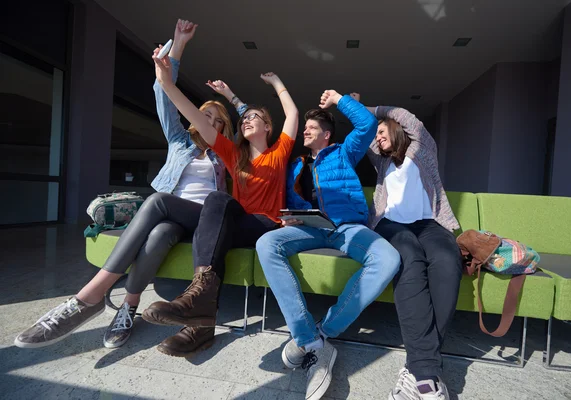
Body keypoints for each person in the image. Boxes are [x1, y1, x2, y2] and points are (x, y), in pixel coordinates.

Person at [14, 19, 238, 349]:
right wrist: (178, 45)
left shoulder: (225, 155)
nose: (211, 124)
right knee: (159, 234)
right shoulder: (178, 140)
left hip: (202, 220)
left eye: (217, 122)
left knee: (158, 201)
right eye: (205, 117)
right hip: (171, 220)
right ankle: (128, 309)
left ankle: (88, 297)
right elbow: (164, 92)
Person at [142, 41, 299, 357]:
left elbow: (292, 112)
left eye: (253, 117)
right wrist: (167, 84)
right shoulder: (233, 154)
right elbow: (196, 119)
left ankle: (199, 320)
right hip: (240, 221)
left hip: (266, 224)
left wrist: (276, 83)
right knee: (216, 200)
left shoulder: (280, 151)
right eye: (244, 119)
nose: (246, 120)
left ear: (267, 126)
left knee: (217, 217)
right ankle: (200, 309)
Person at [255, 91, 401, 400]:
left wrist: (338, 98)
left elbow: (367, 123)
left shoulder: (343, 153)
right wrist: (288, 219)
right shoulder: (294, 166)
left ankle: (321, 334)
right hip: (309, 228)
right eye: (304, 127)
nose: (304, 131)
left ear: (326, 134)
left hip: (347, 228)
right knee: (267, 243)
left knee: (387, 258)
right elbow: (284, 201)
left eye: (310, 127)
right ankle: (307, 337)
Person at [359, 93, 462, 400]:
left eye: (382, 130)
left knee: (447, 258)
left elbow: (409, 117)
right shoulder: (380, 162)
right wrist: (352, 109)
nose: (378, 136)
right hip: (391, 225)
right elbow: (363, 131)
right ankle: (427, 375)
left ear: (397, 130)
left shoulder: (422, 151)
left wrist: (372, 108)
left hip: (429, 224)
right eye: (376, 133)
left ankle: (416, 367)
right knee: (408, 256)